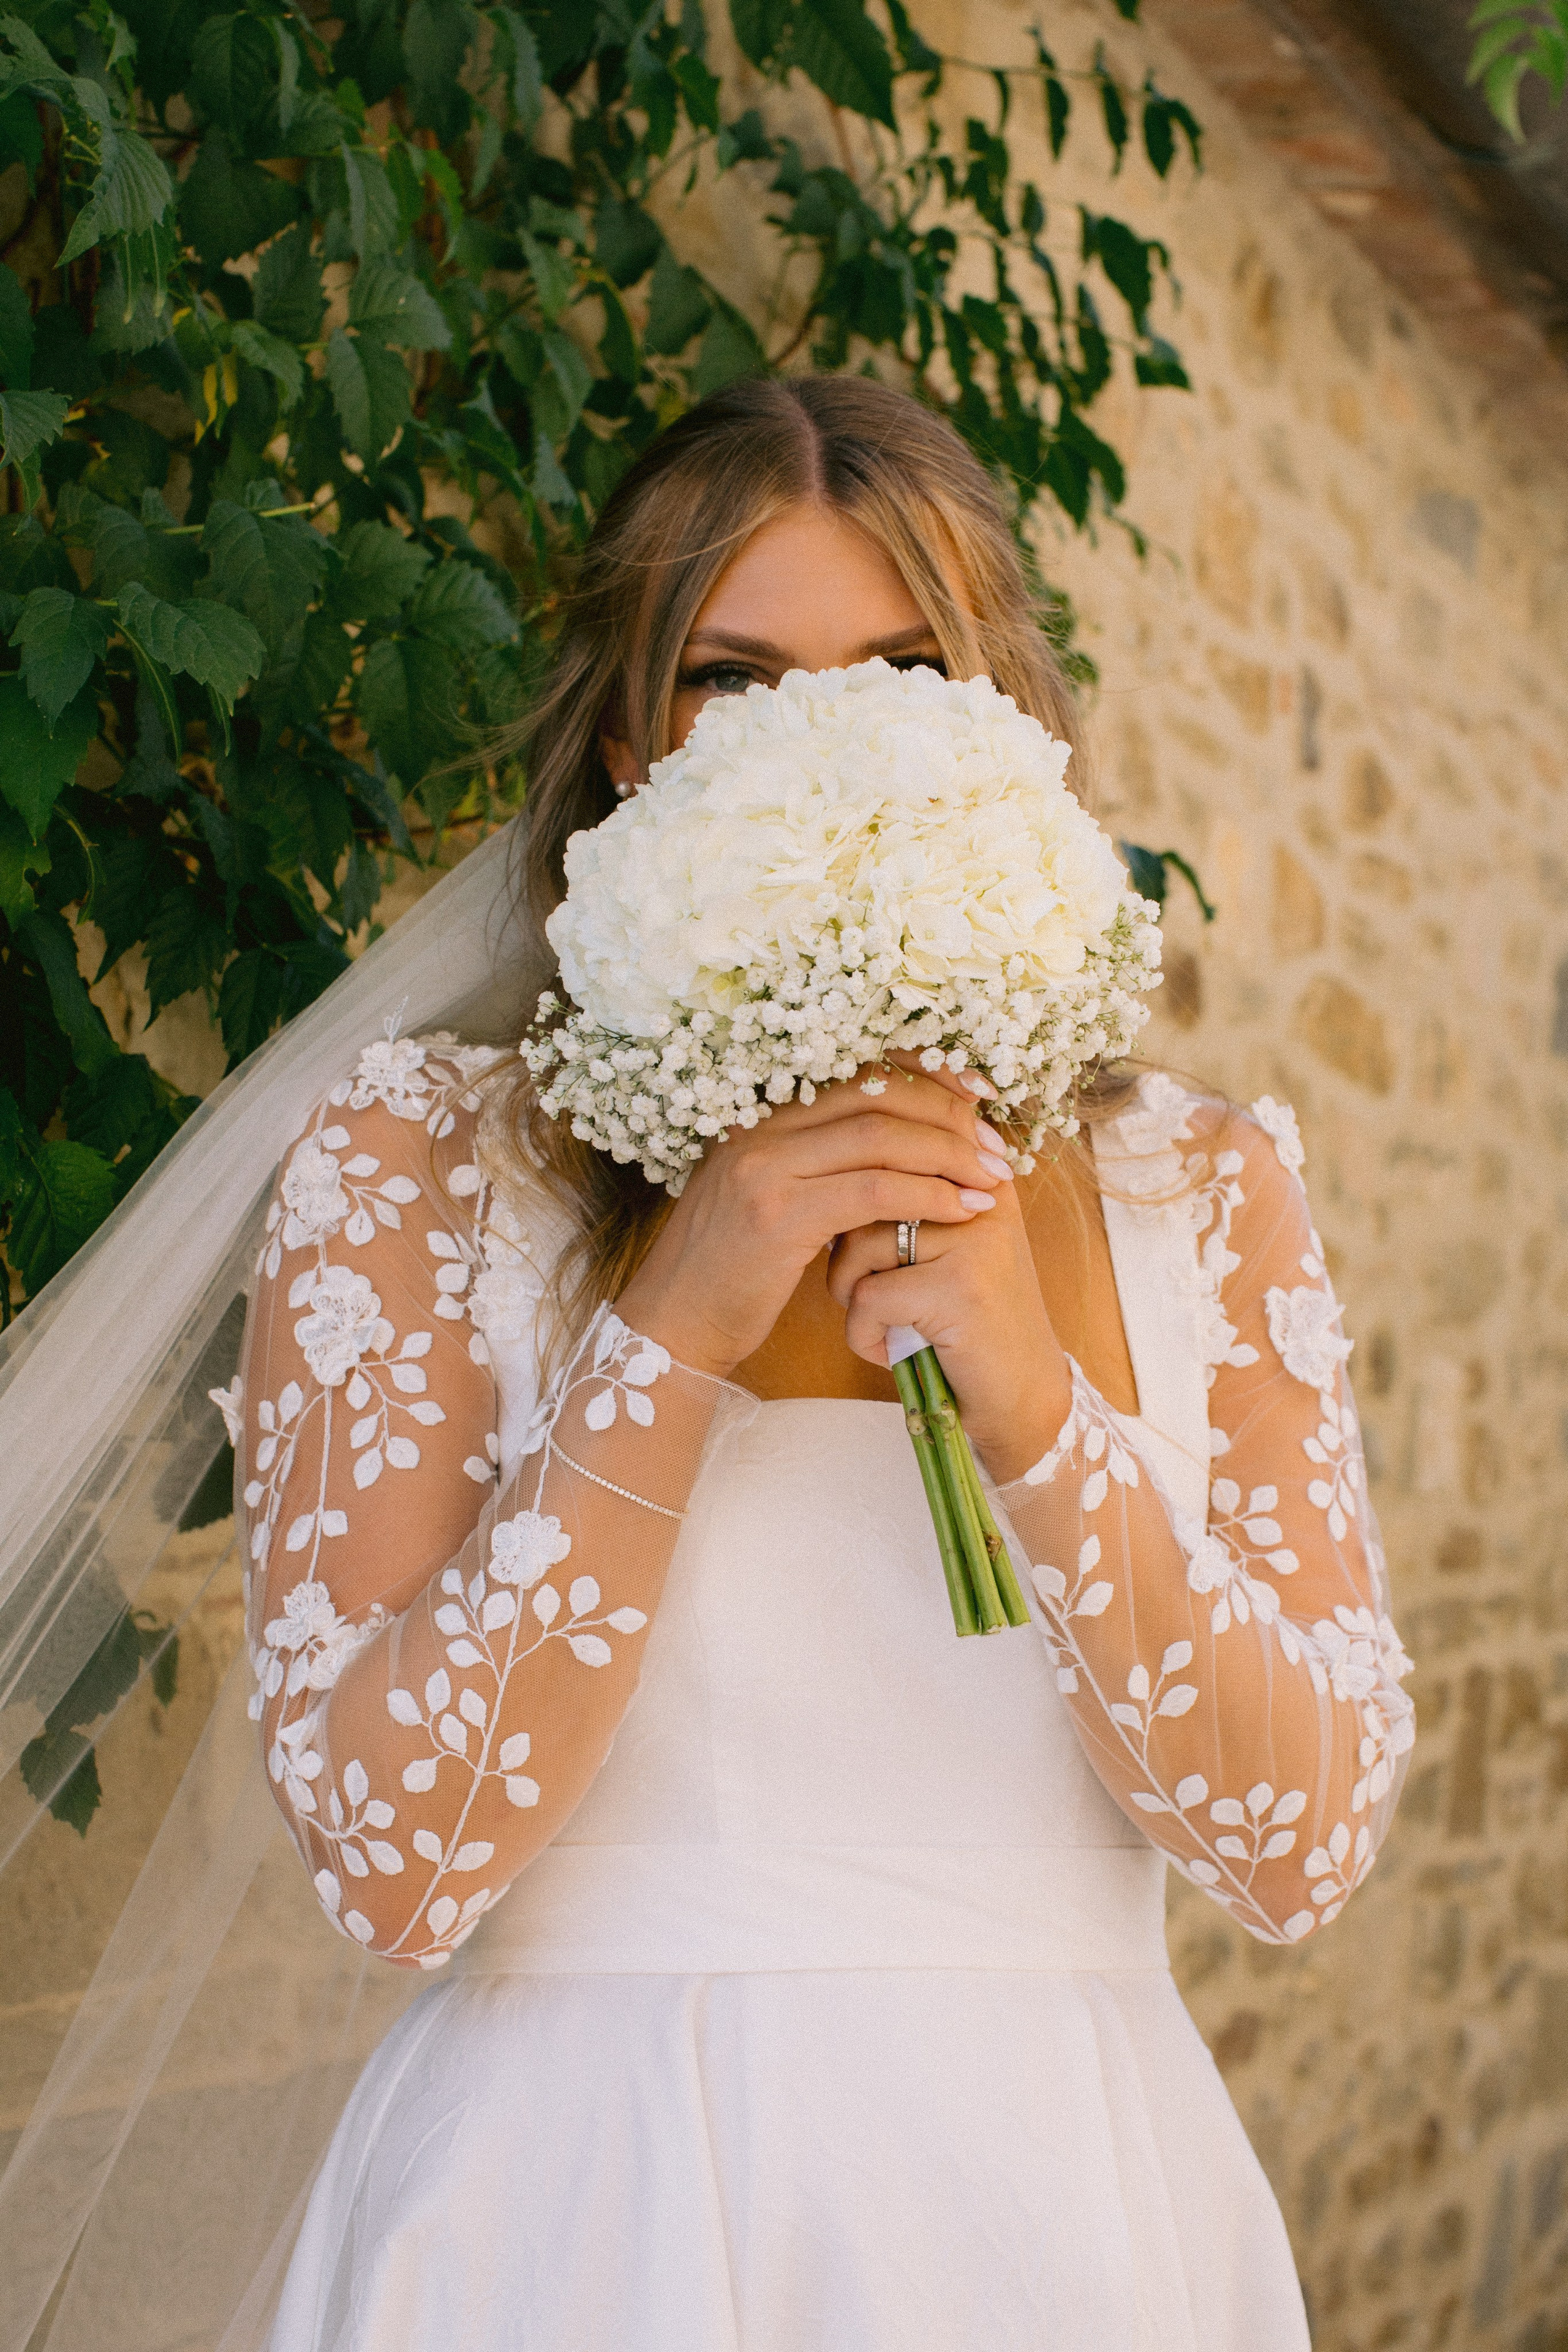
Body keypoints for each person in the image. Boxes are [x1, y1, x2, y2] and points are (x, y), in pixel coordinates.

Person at [228, 376, 1412, 2350]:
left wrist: (1034, 1398)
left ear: (1006, 721)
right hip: (560, 2225)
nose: (827, 741)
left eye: (902, 668)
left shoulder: (1196, 1184)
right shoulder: (420, 1161)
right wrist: (671, 1324)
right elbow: (398, 1867)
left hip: (1061, 2232)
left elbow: (1293, 1851)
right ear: (626, 741)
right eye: (732, 680)